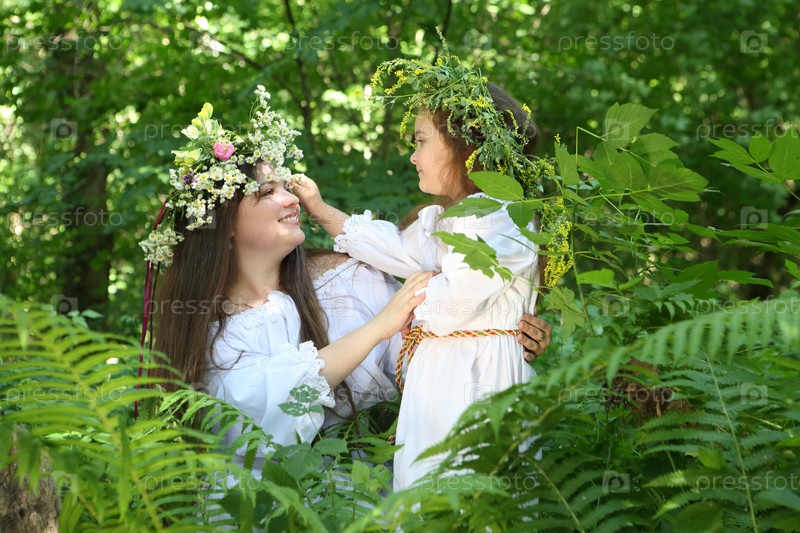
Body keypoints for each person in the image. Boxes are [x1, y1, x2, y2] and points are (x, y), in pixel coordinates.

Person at [140, 86, 552, 481]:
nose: (291, 198)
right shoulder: (211, 334)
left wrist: (501, 325)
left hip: (365, 490)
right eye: (267, 192)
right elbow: (251, 428)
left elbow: (425, 349)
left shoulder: (348, 278)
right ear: (223, 223)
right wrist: (379, 327)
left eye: (286, 186)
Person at [294, 53, 547, 489]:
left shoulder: (502, 216)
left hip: (477, 379)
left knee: (472, 492)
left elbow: (453, 304)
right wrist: (318, 208)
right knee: (425, 492)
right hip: (441, 380)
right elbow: (390, 248)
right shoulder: (449, 220)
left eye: (422, 141)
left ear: (466, 146)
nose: (413, 156)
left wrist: (407, 301)